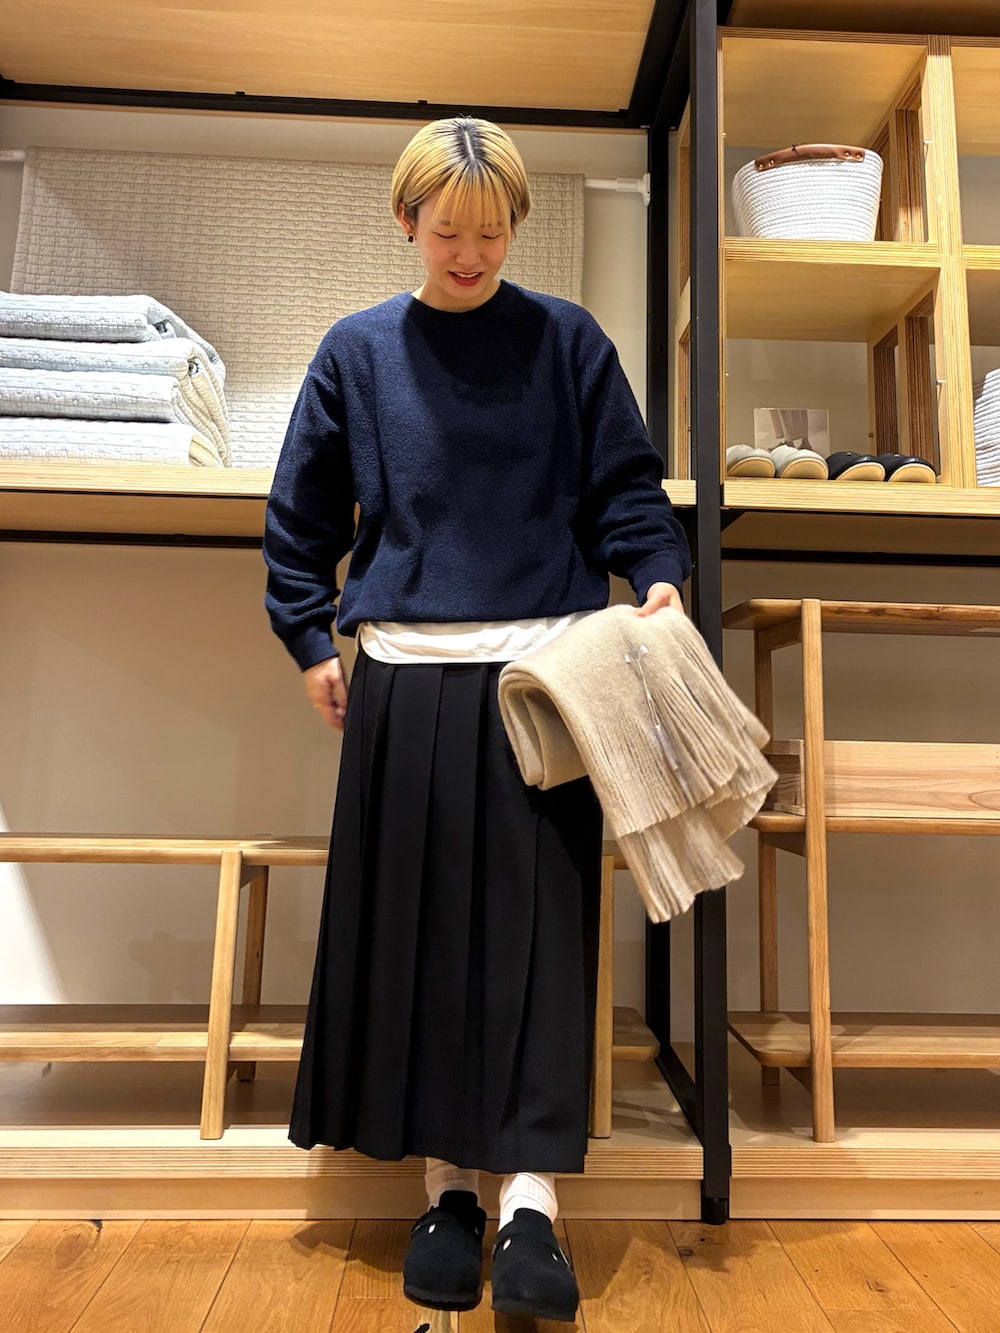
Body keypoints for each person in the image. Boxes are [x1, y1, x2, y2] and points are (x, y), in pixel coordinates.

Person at [263, 115, 691, 1322]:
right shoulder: (358, 351)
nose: (469, 254)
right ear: (407, 221)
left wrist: (657, 573)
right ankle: (447, 1192)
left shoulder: (567, 341)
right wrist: (309, 638)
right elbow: (300, 516)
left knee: (539, 938)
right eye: (448, 231)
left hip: (546, 682)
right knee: (419, 940)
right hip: (402, 673)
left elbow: (626, 489)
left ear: (515, 226)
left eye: (491, 233)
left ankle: (533, 1206)